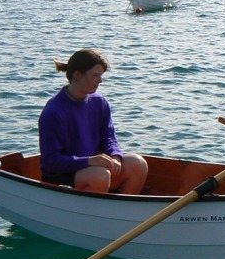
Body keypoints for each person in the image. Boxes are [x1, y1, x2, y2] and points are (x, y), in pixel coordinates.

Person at [38, 49, 148, 194]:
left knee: (137, 164)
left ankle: (119, 213)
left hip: (94, 166)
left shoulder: (99, 103)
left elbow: (108, 138)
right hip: (63, 173)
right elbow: (51, 162)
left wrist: (115, 157)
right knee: (99, 176)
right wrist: (88, 161)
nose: (100, 80)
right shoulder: (54, 111)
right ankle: (96, 214)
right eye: (95, 75)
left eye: (101, 75)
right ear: (77, 75)